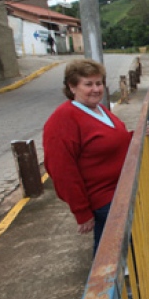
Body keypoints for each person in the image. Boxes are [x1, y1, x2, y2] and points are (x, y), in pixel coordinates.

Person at [43, 59, 132, 255]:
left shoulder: (98, 109)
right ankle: (114, 285)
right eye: (88, 84)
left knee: (118, 249)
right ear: (72, 87)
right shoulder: (64, 119)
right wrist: (81, 211)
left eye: (99, 83)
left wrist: (137, 135)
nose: (95, 89)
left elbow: (112, 141)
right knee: (109, 256)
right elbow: (61, 170)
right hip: (104, 199)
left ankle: (128, 279)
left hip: (120, 190)